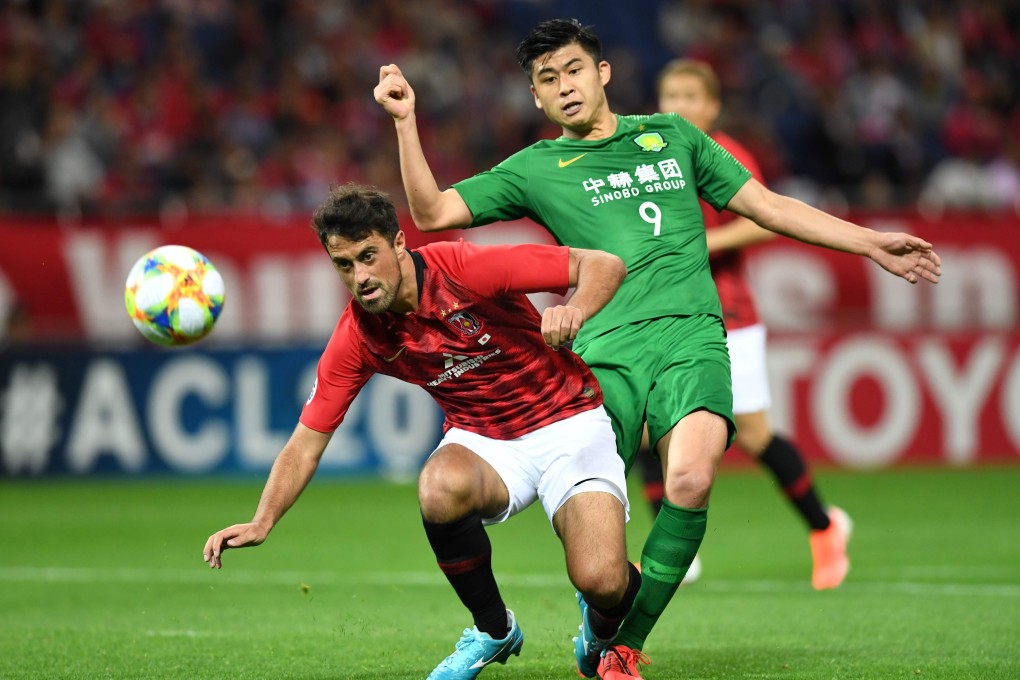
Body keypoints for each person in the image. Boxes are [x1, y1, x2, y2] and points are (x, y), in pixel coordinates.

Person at [374, 18, 941, 680]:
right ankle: (598, 611)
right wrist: (406, 121)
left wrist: (870, 241)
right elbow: (433, 214)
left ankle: (624, 647)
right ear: (535, 97)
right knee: (597, 561)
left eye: (575, 70)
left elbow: (768, 206)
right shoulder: (535, 167)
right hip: (600, 352)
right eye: (547, 80)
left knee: (692, 477)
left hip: (691, 335)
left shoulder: (672, 138)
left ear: (603, 72)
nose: (565, 87)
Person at [202, 183, 640, 680]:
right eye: (344, 265)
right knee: (437, 486)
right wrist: (262, 521)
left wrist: (576, 308)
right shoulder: (359, 334)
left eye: (367, 256)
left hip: (567, 420)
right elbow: (306, 441)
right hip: (485, 440)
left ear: (398, 244)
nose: (360, 277)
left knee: (603, 580)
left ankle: (602, 631)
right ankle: (493, 630)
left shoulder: (463, 270)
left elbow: (602, 263)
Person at [631, 58, 852, 591]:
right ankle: (673, 551)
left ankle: (824, 528)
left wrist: (703, 245)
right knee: (641, 431)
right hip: (665, 318)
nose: (678, 106)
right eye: (670, 95)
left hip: (729, 317)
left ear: (711, 107)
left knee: (752, 433)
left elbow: (765, 224)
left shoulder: (726, 153)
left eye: (690, 96)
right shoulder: (647, 157)